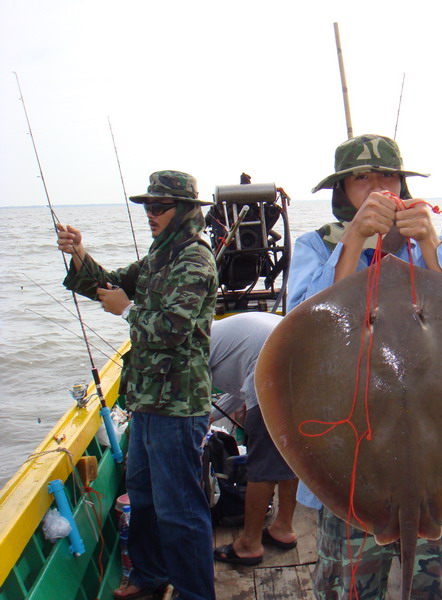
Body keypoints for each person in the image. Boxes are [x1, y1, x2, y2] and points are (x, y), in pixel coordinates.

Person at [288, 134, 442, 599]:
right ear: (341, 190)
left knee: (437, 586)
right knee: (346, 588)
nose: (374, 186)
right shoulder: (314, 247)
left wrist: (429, 244)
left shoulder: (431, 242)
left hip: (433, 462)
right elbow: (303, 335)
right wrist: (353, 243)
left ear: (402, 183)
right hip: (350, 461)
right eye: (360, 178)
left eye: (385, 175)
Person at [57, 170, 218, 600]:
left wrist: (127, 310)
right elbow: (108, 285)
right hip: (147, 399)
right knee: (143, 497)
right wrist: (79, 253)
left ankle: (195, 594)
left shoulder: (195, 258)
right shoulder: (159, 257)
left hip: (179, 406)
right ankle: (149, 576)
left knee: (180, 510)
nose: (150, 214)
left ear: (184, 211)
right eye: (147, 206)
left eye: (159, 207)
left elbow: (172, 328)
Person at [208, 311, 299, 565]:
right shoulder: (226, 331)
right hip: (301, 369)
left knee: (260, 466)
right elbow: (240, 385)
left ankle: (249, 544)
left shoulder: (196, 344)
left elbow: (190, 394)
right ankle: (283, 528)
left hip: (272, 373)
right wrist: (212, 416)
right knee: (291, 454)